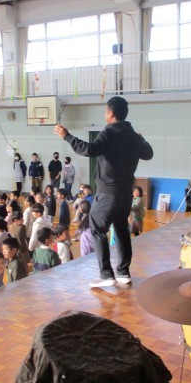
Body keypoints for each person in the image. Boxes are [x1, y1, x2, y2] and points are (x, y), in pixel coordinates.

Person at [55, 96, 153, 287]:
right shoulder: (132, 134)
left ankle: (106, 274)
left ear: (111, 113)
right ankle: (123, 272)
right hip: (126, 192)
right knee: (122, 229)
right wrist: (141, 139)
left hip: (108, 192)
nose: (105, 114)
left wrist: (67, 136)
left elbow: (89, 149)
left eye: (106, 111)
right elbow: (148, 154)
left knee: (97, 229)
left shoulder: (109, 132)